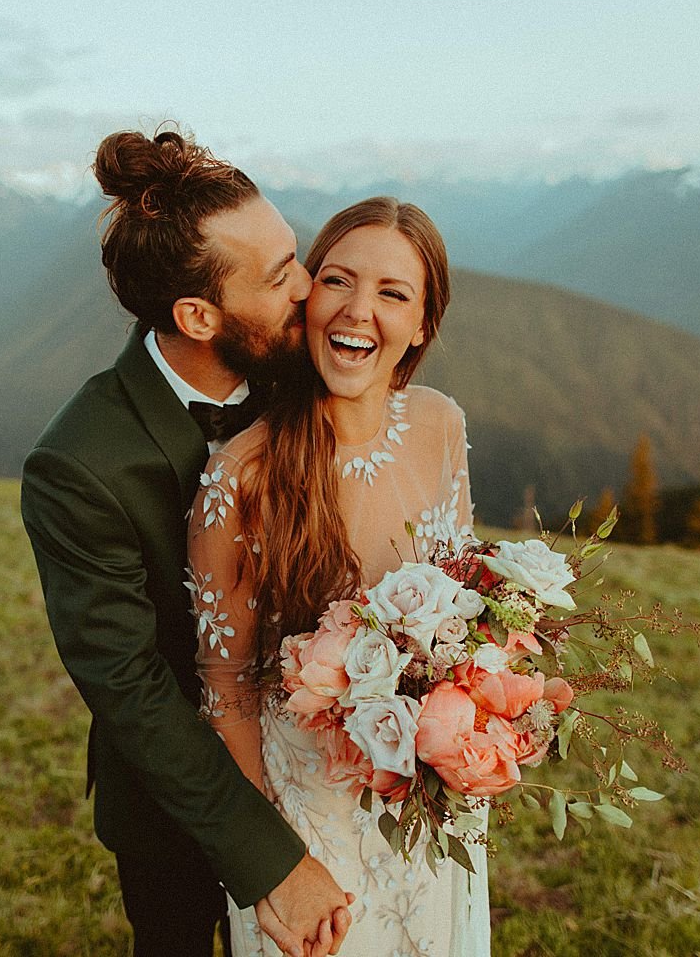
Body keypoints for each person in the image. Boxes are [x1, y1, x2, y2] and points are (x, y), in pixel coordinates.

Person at [20, 126, 354, 957]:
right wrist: (269, 861)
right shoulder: (78, 464)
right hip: (175, 801)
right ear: (198, 315)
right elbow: (129, 687)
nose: (309, 290)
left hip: (329, 760)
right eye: (279, 277)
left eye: (296, 258)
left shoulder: (307, 370)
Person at [188, 197, 489, 956]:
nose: (358, 311)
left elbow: (469, 602)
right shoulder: (242, 477)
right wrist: (273, 864)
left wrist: (499, 704)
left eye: (393, 293)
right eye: (338, 280)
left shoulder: (440, 424)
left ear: (422, 324)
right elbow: (225, 695)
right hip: (310, 824)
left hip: (431, 801)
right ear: (306, 294)